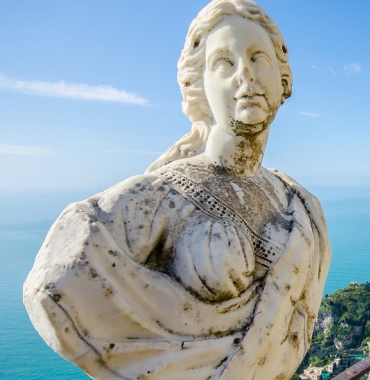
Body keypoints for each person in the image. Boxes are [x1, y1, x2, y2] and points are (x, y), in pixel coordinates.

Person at [23, 1, 331, 379]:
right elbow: (56, 281)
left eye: (257, 58)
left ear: (282, 80)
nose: (244, 75)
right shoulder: (166, 193)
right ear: (199, 84)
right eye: (224, 63)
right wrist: (174, 332)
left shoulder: (299, 203)